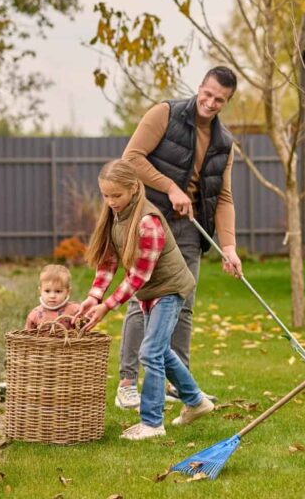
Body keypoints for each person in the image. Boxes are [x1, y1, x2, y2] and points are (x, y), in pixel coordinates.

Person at [114, 66, 242, 410]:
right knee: (144, 299)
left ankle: (179, 384)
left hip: (189, 228)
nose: (211, 102)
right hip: (151, 221)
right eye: (208, 94)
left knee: (183, 305)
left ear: (227, 101)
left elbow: (224, 196)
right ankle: (128, 382)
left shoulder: (224, 143)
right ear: (200, 87)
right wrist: (170, 187)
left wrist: (229, 247)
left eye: (220, 100)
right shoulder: (164, 114)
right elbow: (131, 159)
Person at [76, 159, 214, 439]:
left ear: (134, 188)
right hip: (151, 292)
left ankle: (152, 423)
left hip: (169, 290)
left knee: (150, 352)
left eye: (117, 195)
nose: (111, 201)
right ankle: (196, 401)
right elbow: (108, 260)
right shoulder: (117, 217)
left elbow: (138, 277)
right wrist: (94, 296)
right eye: (105, 195)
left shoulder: (147, 222)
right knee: (160, 351)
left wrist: (107, 307)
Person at [24, 264, 81, 330]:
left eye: (58, 291)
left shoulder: (75, 310)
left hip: (69, 340)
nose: (52, 296)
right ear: (40, 291)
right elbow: (27, 335)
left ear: (67, 292)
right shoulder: (35, 314)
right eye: (47, 291)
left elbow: (84, 331)